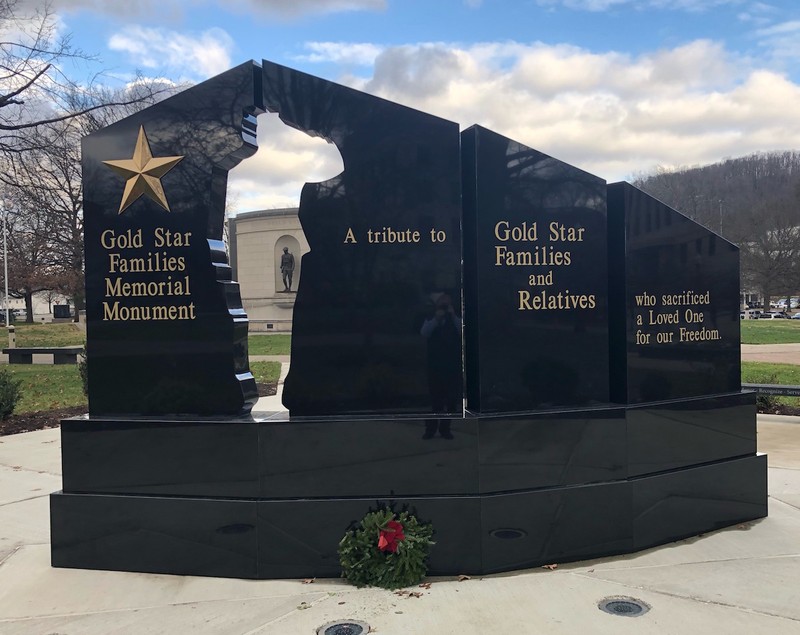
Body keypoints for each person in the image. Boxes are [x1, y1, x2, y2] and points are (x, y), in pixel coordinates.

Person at [420, 294, 462, 439]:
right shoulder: (431, 316)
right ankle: (430, 429)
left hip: (452, 365)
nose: (444, 305)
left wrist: (453, 315)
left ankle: (445, 429)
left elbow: (463, 331)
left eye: (447, 302)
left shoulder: (455, 317)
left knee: (451, 400)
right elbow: (424, 332)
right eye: (441, 303)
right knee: (435, 400)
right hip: (435, 365)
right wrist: (437, 319)